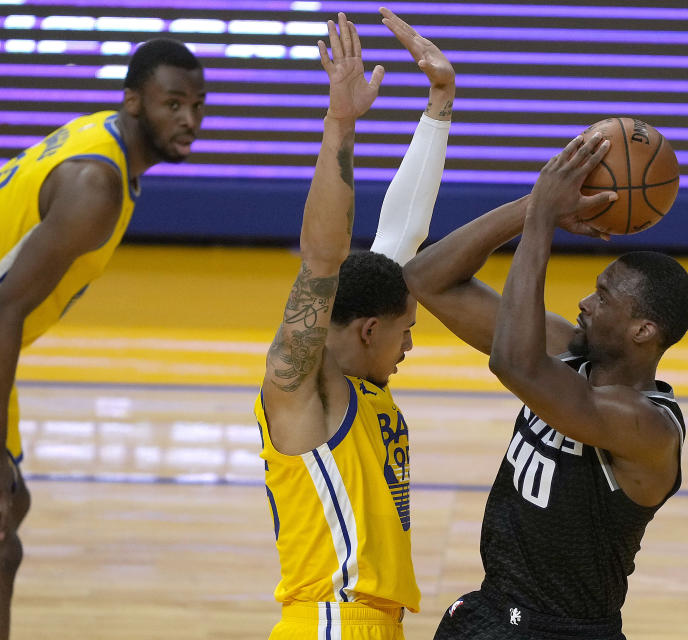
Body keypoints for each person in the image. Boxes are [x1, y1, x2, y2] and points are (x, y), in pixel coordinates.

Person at [403, 134, 688, 639]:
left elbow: (514, 366)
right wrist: (532, 206)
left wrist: (542, 220)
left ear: (643, 331)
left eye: (603, 297)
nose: (585, 302)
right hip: (491, 612)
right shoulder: (569, 348)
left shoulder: (648, 428)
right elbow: (426, 279)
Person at [254, 9, 455, 639]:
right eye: (406, 330)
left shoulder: (359, 377)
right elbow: (324, 256)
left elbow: (402, 233)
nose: (411, 344)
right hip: (332, 625)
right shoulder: (300, 386)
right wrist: (339, 126)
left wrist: (439, 105)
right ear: (369, 328)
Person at [0, 38, 205, 637]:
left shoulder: (104, 142)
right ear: (134, 102)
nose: (189, 119)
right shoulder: (97, 185)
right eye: (173, 104)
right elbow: (5, 306)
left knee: (12, 513)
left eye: (197, 104)